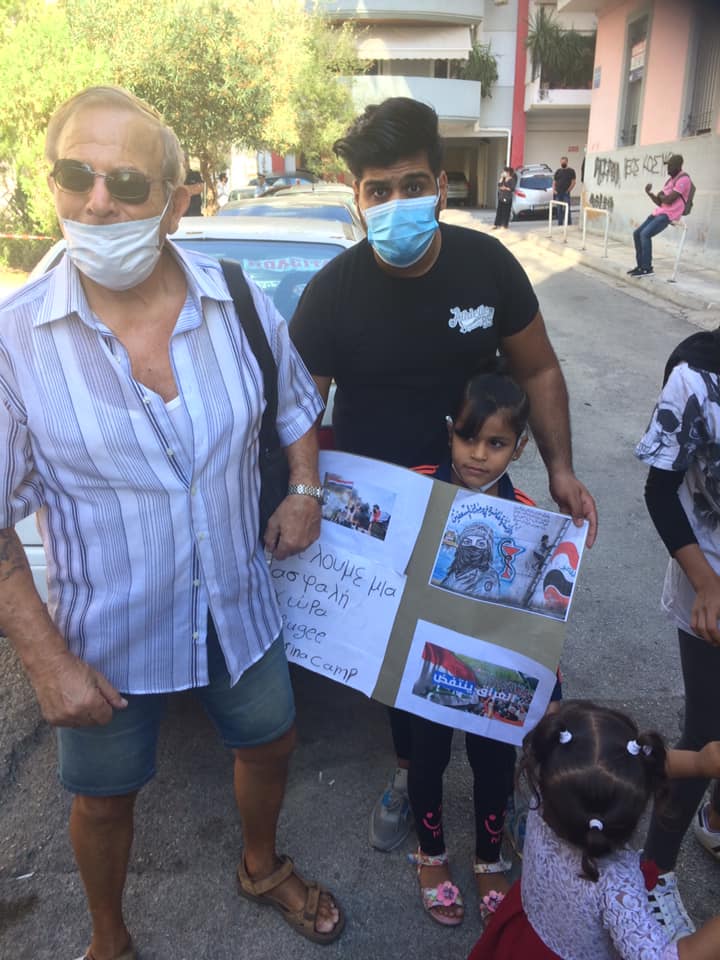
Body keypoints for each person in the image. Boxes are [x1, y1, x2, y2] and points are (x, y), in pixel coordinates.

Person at [0, 85, 344, 960]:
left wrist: (304, 488)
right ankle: (108, 939)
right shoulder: (12, 340)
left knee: (271, 743)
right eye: (75, 175)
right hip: (105, 639)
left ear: (177, 203)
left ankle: (260, 866)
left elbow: (294, 404)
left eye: (127, 182)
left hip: (240, 606)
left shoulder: (238, 300)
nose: (97, 202)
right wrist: (47, 664)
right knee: (103, 799)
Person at [290, 97, 597, 859]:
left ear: (440, 184)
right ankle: (410, 775)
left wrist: (560, 468)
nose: (396, 202)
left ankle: (507, 785)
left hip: (477, 503)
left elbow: (539, 368)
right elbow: (298, 406)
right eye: (378, 189)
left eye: (411, 184)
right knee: (399, 654)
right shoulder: (332, 291)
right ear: (357, 195)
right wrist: (301, 492)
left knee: (494, 648)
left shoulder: (486, 266)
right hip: (381, 514)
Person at [405, 369, 533, 927]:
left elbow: (539, 612)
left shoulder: (529, 515)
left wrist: (551, 679)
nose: (479, 455)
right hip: (422, 659)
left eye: (496, 443)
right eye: (467, 437)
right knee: (425, 757)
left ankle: (489, 858)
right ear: (449, 431)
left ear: (519, 447)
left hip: (492, 667)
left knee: (494, 763)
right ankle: (430, 853)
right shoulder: (415, 488)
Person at [468, 700, 720, 959]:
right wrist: (699, 763)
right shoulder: (615, 886)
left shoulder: (548, 792)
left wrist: (699, 762)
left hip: (523, 934)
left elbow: (627, 766)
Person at [634, 326, 720, 940]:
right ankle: (653, 872)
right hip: (709, 578)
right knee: (708, 733)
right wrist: (707, 585)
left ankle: (713, 820)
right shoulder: (696, 378)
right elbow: (659, 492)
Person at [628, 154, 691, 277]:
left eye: (670, 166)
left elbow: (669, 200)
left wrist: (662, 196)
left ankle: (647, 268)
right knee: (637, 233)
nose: (668, 169)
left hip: (669, 215)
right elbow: (660, 201)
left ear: (678, 166)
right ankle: (640, 266)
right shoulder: (669, 181)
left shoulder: (684, 179)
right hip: (659, 212)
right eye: (667, 165)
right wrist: (649, 193)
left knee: (645, 234)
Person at [552, 156, 576, 226]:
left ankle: (569, 223)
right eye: (562, 162)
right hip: (558, 193)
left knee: (567, 209)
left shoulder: (571, 171)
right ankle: (560, 224)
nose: (563, 163)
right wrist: (554, 190)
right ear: (560, 162)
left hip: (566, 193)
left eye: (564, 162)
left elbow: (573, 182)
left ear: (567, 162)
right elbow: (554, 182)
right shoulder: (558, 171)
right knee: (559, 209)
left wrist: (569, 190)